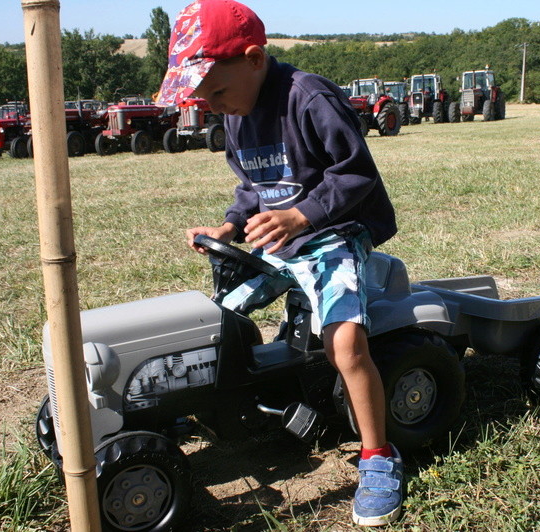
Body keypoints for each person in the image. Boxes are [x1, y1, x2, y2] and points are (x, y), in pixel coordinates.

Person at [156, 0, 403, 526]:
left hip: (335, 232)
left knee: (344, 342)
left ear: (254, 58)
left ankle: (378, 457)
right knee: (221, 316)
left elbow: (357, 173)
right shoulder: (238, 115)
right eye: (203, 98)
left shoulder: (307, 96)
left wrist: (300, 216)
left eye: (216, 92)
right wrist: (228, 225)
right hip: (281, 241)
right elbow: (252, 188)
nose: (213, 106)